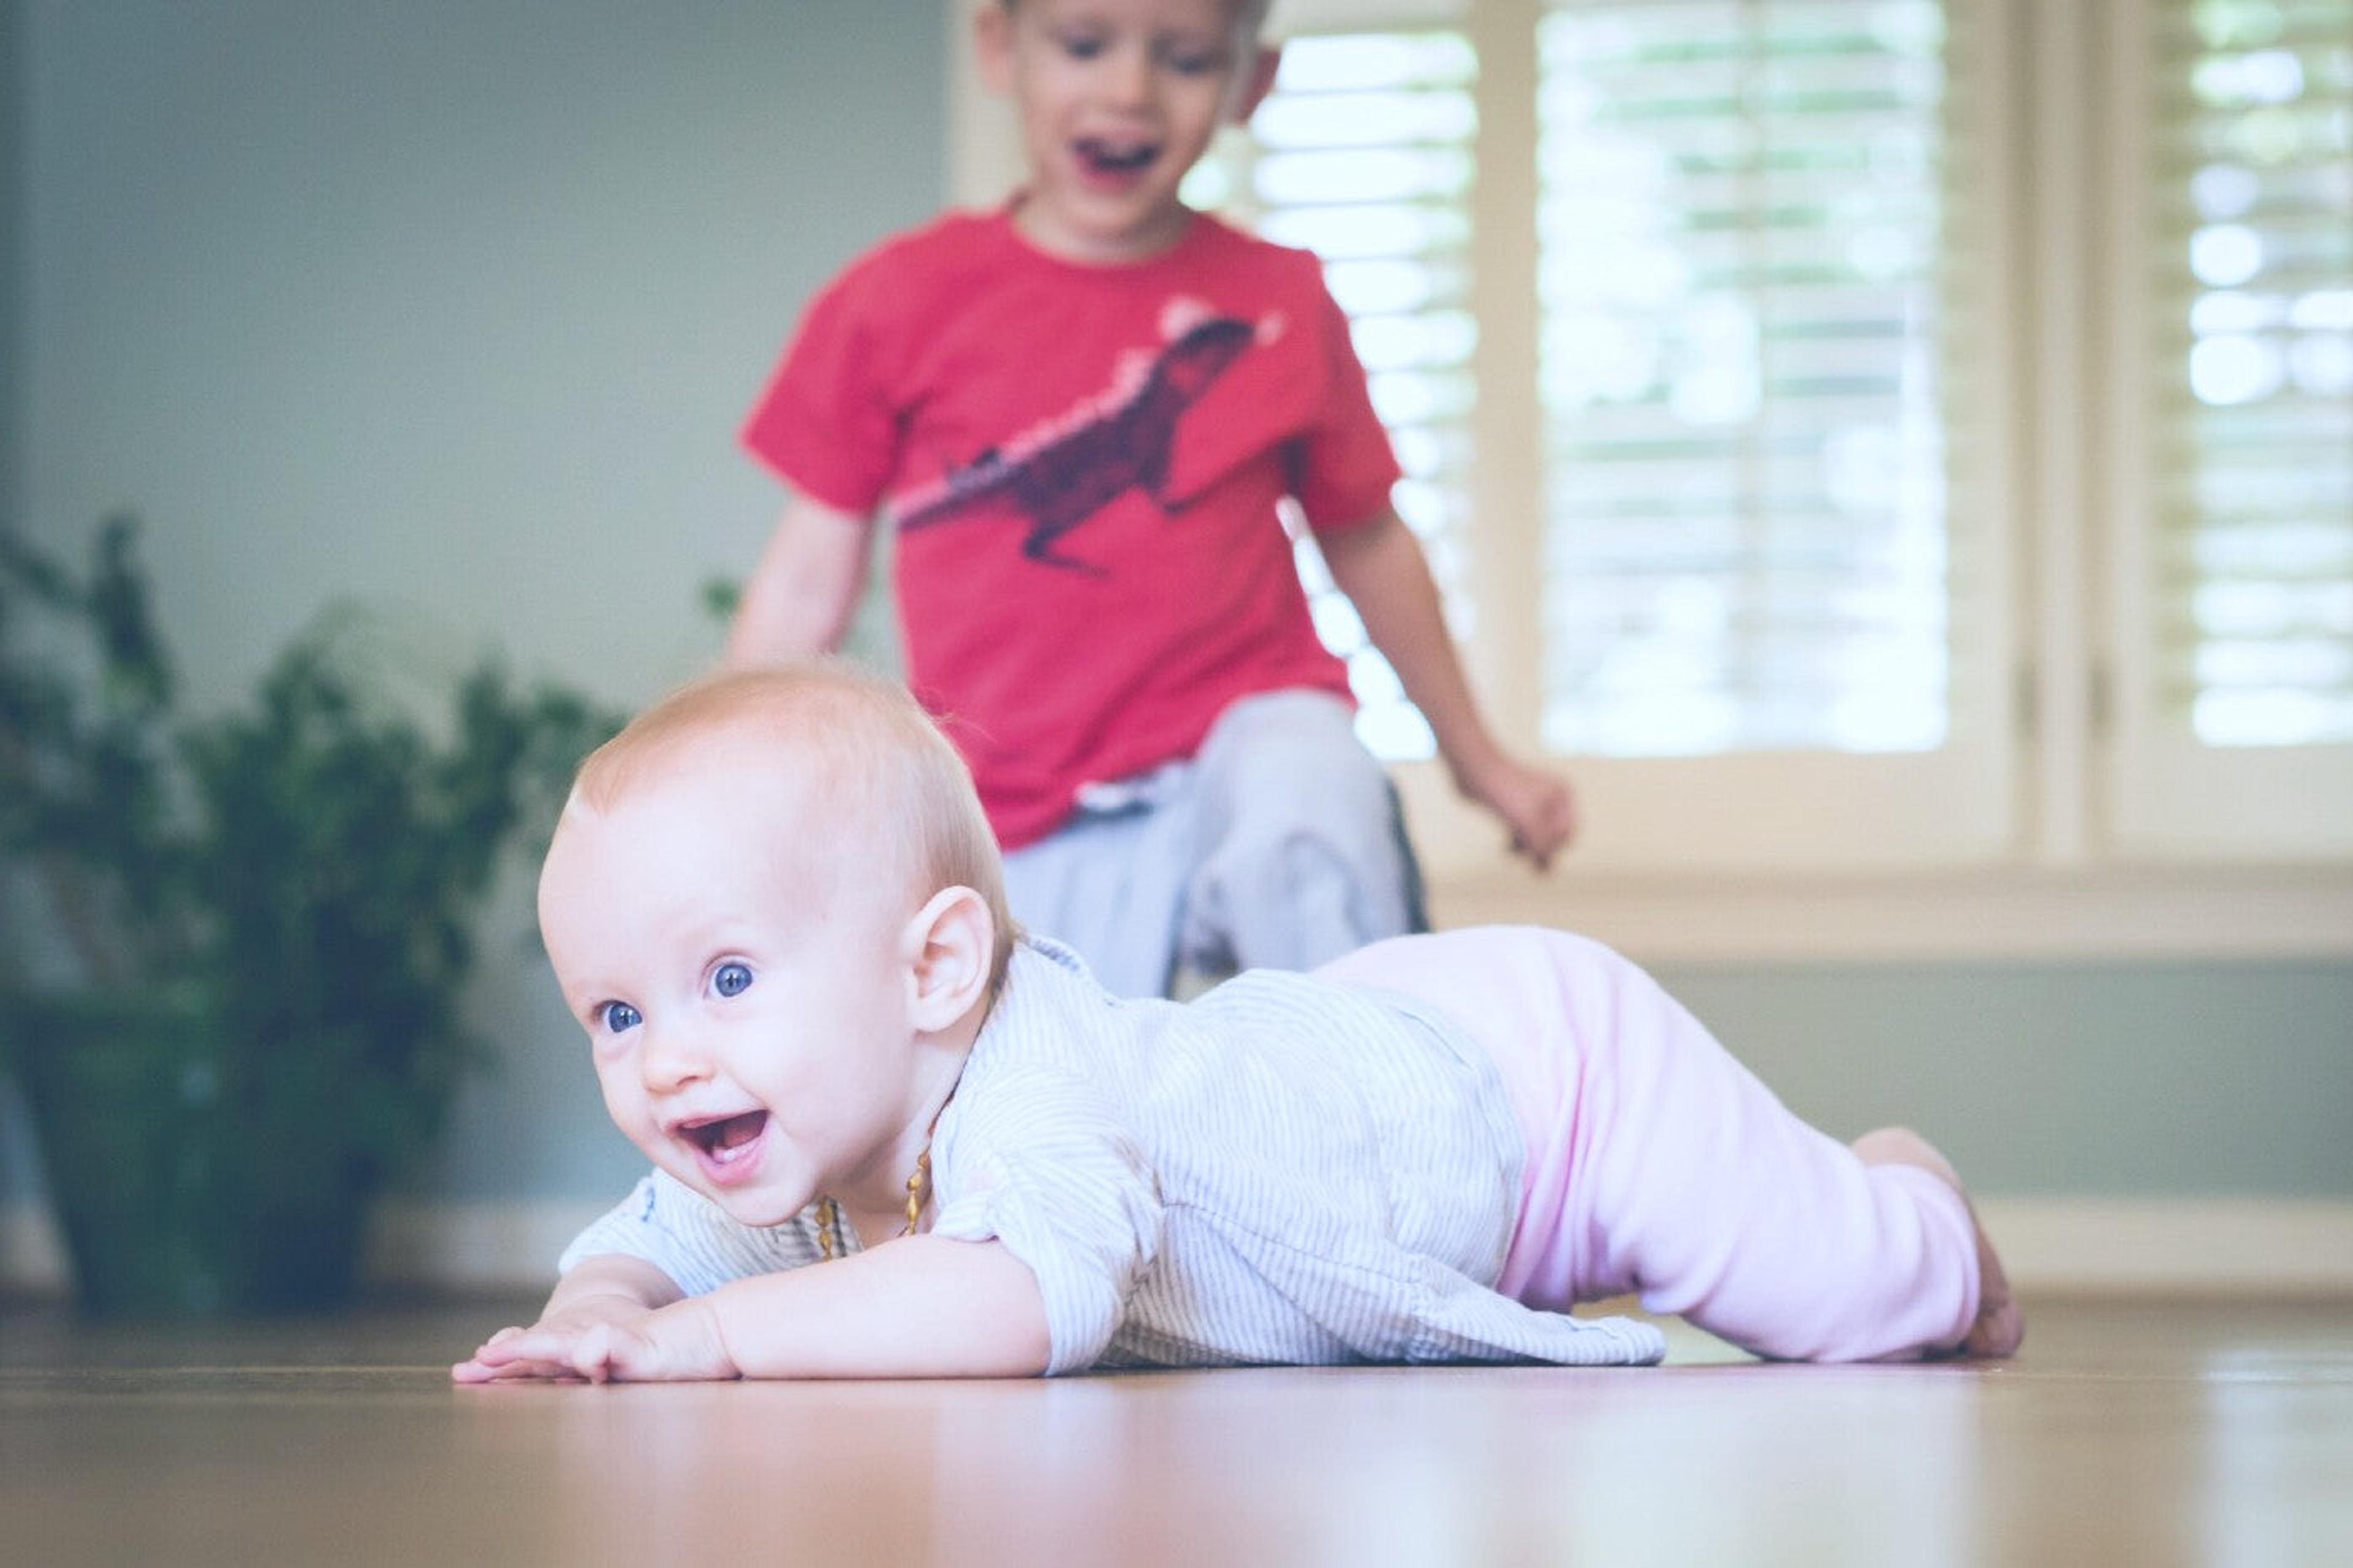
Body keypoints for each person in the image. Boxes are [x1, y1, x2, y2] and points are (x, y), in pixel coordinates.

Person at [451, 665, 2021, 1385]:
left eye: (725, 980)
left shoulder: (1032, 1087)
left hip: (1545, 1078)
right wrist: (598, 1307)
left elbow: (1018, 1304)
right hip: (1345, 1057)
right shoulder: (799, 1129)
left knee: (1859, 1304)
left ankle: (1913, 1198)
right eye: (613, 1010)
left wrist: (706, 1341)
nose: (662, 1057)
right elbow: (651, 1236)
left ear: (934, 969)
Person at [722, 0, 1574, 998]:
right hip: (1017, 809)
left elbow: (1370, 539)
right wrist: (730, 788)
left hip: (1242, 743)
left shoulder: (1280, 299)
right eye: (1086, 45)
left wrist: (1478, 759)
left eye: (1184, 58)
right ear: (1003, 48)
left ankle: (1373, 1110)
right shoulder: (894, 302)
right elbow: (807, 576)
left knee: (1309, 790)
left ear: (1251, 85)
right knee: (1052, 1101)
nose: (1129, 91)